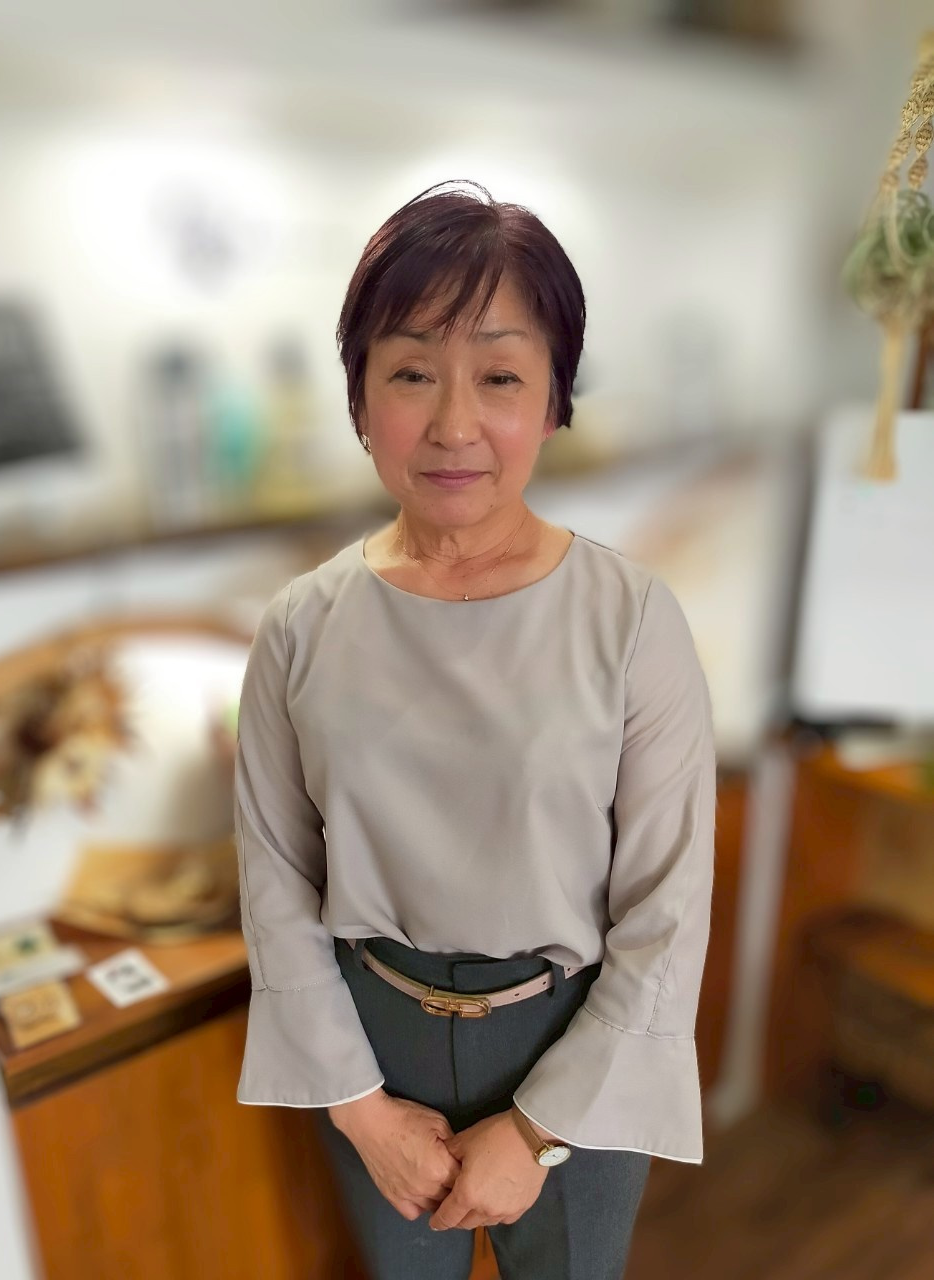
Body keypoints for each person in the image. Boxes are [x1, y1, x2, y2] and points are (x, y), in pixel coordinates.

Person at [233, 181, 717, 1280]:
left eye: (499, 376)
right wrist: (361, 1108)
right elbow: (275, 880)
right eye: (412, 373)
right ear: (361, 400)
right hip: (370, 1044)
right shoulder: (301, 625)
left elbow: (668, 904)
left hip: (574, 1042)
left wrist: (540, 1128)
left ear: (552, 401)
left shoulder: (632, 617)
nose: (454, 425)